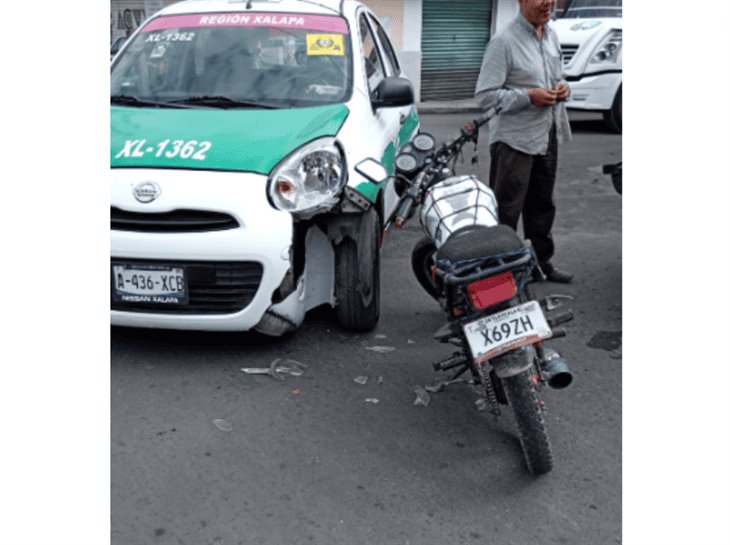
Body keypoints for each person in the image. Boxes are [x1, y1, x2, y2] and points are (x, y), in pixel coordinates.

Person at [474, 0, 573, 283]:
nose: (549, 3)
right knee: (506, 209)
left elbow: (556, 76)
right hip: (514, 141)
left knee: (543, 204)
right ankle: (499, 272)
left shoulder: (551, 35)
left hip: (546, 133)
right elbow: (485, 96)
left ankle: (541, 264)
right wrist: (529, 96)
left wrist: (564, 87)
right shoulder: (503, 41)